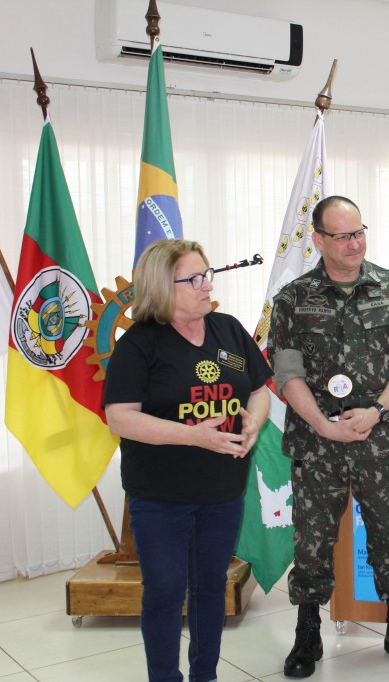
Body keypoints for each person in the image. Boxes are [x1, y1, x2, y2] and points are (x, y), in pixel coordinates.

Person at [267, 195, 389, 678]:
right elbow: (287, 371)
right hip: (317, 441)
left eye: (359, 232)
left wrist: (377, 411)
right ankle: (307, 633)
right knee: (312, 540)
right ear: (318, 240)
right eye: (342, 236)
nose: (355, 243)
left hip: (379, 438)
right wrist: (324, 425)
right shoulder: (293, 298)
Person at [104, 239, 272, 682]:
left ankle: (204, 674)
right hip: (161, 495)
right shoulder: (139, 344)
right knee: (164, 591)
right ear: (162, 286)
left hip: (222, 490)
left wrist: (253, 423)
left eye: (207, 275)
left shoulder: (228, 330)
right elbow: (120, 418)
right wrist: (193, 437)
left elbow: (258, 390)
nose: (207, 285)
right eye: (194, 279)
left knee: (210, 586)